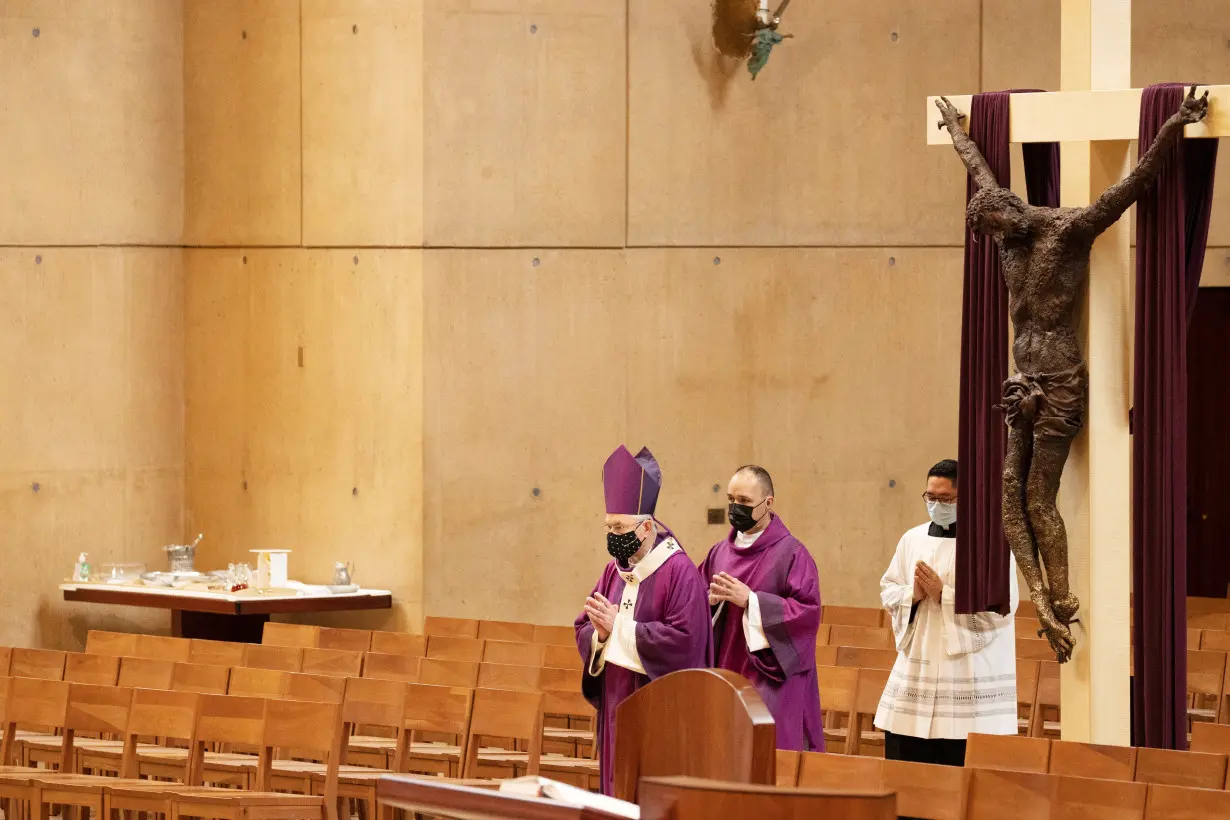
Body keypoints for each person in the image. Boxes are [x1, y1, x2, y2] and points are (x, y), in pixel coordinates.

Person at [574, 445, 713, 796]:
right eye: (608, 526)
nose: (612, 535)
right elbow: (585, 625)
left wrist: (619, 630)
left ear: (647, 526)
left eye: (620, 527)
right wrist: (602, 637)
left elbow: (686, 642)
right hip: (617, 703)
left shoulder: (679, 572)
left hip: (659, 710)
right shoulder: (612, 571)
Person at [874, 459, 1018, 769]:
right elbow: (889, 589)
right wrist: (912, 594)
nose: (936, 505)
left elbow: (1001, 608)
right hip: (918, 670)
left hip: (966, 675)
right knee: (907, 770)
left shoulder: (991, 544)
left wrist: (944, 595)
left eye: (944, 499)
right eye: (930, 497)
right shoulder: (912, 539)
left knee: (958, 777)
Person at [700, 465, 824, 751]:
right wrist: (709, 602)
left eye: (744, 501)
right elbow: (692, 602)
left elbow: (807, 613)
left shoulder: (792, 554)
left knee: (766, 757)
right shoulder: (718, 553)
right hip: (725, 672)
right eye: (731, 499)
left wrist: (753, 602)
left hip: (771, 677)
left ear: (768, 503)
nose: (735, 507)